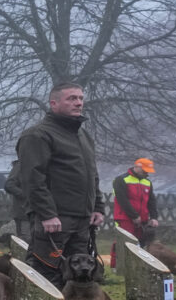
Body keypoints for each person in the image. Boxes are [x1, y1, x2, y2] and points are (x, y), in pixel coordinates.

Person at [11, 84, 106, 289]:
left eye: (80, 98)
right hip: (54, 220)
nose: (78, 103)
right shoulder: (37, 135)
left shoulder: (83, 136)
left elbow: (92, 175)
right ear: (53, 103)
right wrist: (47, 214)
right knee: (46, 274)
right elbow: (32, 179)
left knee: (78, 278)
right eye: (71, 98)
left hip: (82, 220)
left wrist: (98, 207)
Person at [110, 157, 157, 265]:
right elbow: (122, 200)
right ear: (137, 167)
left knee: (141, 243)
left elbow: (151, 201)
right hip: (124, 218)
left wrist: (154, 217)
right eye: (145, 171)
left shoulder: (147, 182)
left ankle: (136, 265)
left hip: (143, 219)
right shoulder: (121, 180)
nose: (147, 174)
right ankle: (117, 265)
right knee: (123, 242)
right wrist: (134, 216)